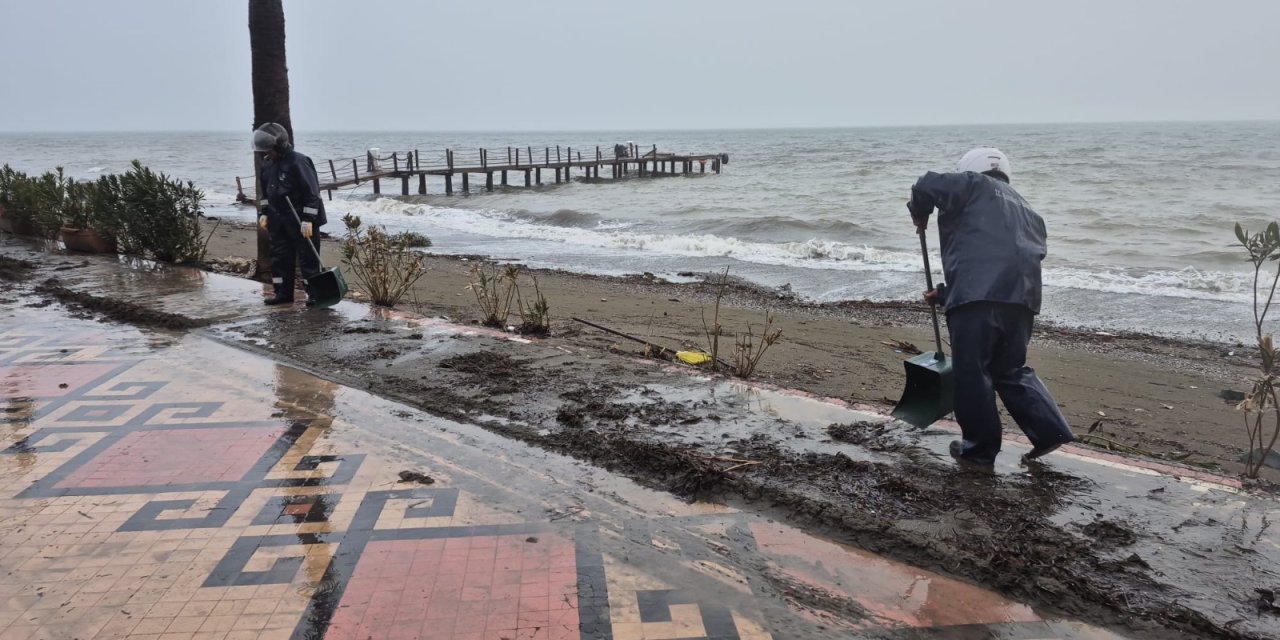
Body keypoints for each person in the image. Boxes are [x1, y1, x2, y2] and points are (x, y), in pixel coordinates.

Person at [906, 147, 1075, 467]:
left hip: (977, 299)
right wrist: (944, 294)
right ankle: (1050, 431)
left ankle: (979, 450)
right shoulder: (1028, 210)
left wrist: (919, 210)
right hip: (1022, 302)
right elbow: (1001, 258)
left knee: (972, 372)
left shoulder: (971, 184)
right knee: (1010, 369)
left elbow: (926, 183)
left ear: (971, 168)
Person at [253, 122, 327, 306]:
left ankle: (315, 294)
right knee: (279, 258)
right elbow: (266, 192)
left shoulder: (299, 161)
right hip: (278, 220)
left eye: (269, 150)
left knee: (308, 259)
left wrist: (308, 219)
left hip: (300, 219)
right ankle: (282, 294)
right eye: (265, 151)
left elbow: (312, 192)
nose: (266, 154)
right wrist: (264, 212)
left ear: (280, 146)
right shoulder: (268, 165)